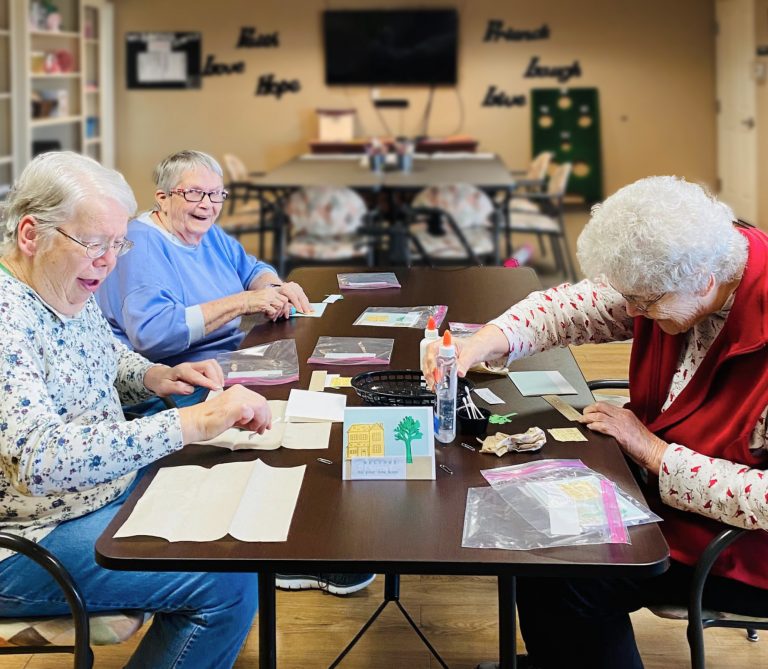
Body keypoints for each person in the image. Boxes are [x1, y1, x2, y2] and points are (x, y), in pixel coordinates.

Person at [423, 176, 768, 669]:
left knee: (568, 573)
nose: (630, 313)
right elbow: (570, 309)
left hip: (741, 551)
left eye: (644, 304)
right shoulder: (698, 261)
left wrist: (653, 453)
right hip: (666, 501)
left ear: (705, 282)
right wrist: (484, 341)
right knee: (537, 526)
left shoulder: (703, 278)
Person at [0, 152, 274, 669]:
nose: (109, 260)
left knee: (229, 488)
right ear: (31, 235)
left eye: (117, 244)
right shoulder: (7, 318)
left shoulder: (56, 287)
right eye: (95, 244)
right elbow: (38, 460)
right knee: (227, 581)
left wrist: (152, 376)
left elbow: (106, 353)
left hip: (95, 493)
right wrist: (188, 422)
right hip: (27, 537)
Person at [96, 149, 374, 596]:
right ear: (162, 197)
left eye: (215, 194)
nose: (207, 204)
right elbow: (155, 335)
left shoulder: (204, 234)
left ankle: (315, 536)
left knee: (326, 406)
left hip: (239, 356)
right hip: (181, 382)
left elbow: (252, 268)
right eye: (194, 193)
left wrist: (271, 288)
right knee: (293, 423)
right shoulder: (141, 246)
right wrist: (244, 303)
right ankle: (281, 554)